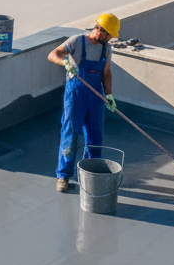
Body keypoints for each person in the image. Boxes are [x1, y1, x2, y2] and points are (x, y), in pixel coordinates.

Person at [47, 14, 120, 193]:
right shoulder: (77, 41)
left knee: (95, 137)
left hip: (96, 97)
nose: (109, 38)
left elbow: (106, 73)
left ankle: (90, 174)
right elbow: (52, 54)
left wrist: (108, 96)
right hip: (76, 96)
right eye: (109, 34)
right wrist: (65, 62)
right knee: (71, 134)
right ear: (101, 31)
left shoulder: (106, 49)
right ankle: (63, 176)